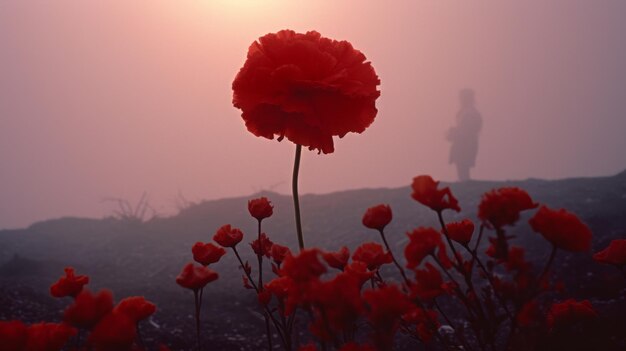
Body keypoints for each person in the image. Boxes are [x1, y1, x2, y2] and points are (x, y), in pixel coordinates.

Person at [446, 89, 483, 181]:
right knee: (462, 167)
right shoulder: (466, 112)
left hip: (465, 144)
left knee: (463, 167)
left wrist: (455, 133)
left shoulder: (470, 113)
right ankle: (465, 182)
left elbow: (468, 130)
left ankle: (465, 183)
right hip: (463, 144)